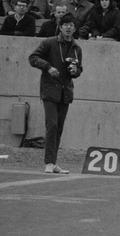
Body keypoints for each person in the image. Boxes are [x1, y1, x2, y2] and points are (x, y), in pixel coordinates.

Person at [28, 12, 83, 174]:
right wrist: (48, 67)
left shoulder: (76, 48)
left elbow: (79, 69)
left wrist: (75, 71)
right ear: (60, 27)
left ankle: (53, 161)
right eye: (65, 25)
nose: (68, 28)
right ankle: (48, 163)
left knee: (59, 127)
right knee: (51, 125)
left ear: (74, 28)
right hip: (50, 89)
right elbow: (33, 58)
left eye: (71, 25)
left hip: (65, 91)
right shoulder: (49, 43)